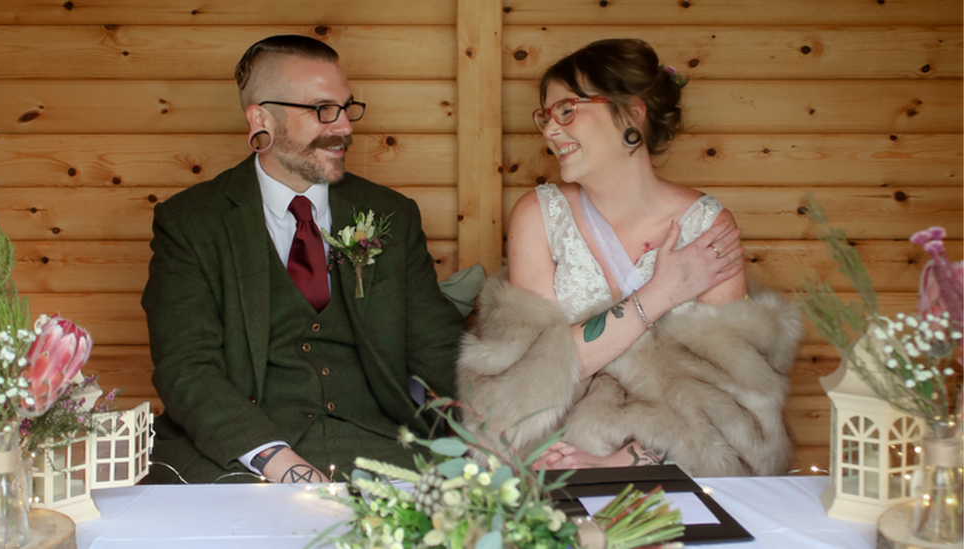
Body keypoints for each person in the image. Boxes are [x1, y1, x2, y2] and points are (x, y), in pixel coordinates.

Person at [457, 39, 802, 477]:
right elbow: (534, 374)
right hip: (553, 450)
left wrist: (620, 463)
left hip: (675, 460)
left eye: (567, 110)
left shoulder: (706, 227)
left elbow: (729, 395)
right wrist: (659, 294)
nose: (549, 130)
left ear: (631, 114)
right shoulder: (538, 217)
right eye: (546, 115)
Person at [142, 35, 465, 484]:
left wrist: (507, 429)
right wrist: (283, 465)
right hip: (244, 454)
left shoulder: (392, 213)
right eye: (321, 109)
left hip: (380, 445)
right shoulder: (191, 223)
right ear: (262, 120)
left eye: (347, 107)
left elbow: (438, 346)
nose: (345, 127)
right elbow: (187, 368)